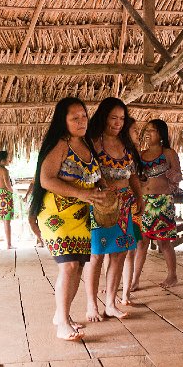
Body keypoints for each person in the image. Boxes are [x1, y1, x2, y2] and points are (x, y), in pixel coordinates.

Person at [30, 97, 108, 341]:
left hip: (80, 215)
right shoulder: (61, 145)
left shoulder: (86, 144)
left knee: (78, 266)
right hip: (56, 214)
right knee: (69, 265)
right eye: (75, 118)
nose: (81, 121)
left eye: (84, 116)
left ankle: (61, 315)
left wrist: (102, 189)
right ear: (63, 121)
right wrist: (83, 193)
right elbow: (46, 179)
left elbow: (94, 176)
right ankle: (62, 322)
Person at [83, 98, 143, 321]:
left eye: (121, 118)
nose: (118, 123)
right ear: (104, 117)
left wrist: (139, 198)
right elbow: (86, 174)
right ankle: (91, 304)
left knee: (119, 253)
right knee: (96, 255)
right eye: (113, 118)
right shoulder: (93, 142)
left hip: (125, 204)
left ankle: (110, 303)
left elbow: (134, 175)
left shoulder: (127, 144)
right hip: (101, 205)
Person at [132, 119, 182, 288]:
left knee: (164, 242)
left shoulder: (168, 153)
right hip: (144, 201)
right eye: (147, 130)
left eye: (152, 130)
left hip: (163, 201)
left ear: (161, 134)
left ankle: (172, 275)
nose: (148, 133)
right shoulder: (141, 154)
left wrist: (171, 176)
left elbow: (178, 177)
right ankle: (135, 280)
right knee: (142, 242)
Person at [121, 117, 145, 304]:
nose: (138, 133)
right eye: (134, 130)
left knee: (131, 249)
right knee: (114, 251)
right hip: (119, 206)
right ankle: (116, 291)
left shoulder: (135, 154)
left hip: (133, 206)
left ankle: (125, 293)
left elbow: (136, 180)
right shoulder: (118, 152)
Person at [0, 150, 15, 249]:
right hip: (5, 196)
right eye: (8, 158)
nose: (9, 160)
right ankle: (9, 245)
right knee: (7, 221)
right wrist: (14, 192)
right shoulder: (4, 170)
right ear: (3, 160)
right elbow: (8, 185)